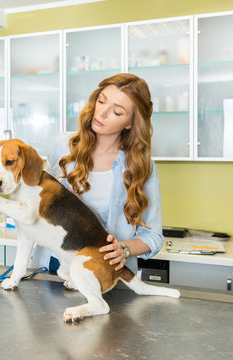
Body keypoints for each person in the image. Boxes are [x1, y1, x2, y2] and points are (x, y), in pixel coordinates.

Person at [46, 73, 163, 274]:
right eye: (101, 101)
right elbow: (41, 202)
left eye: (117, 112)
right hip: (59, 265)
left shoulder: (141, 167)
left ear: (129, 123)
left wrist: (124, 249)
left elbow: (153, 237)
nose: (101, 113)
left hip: (110, 272)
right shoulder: (63, 147)